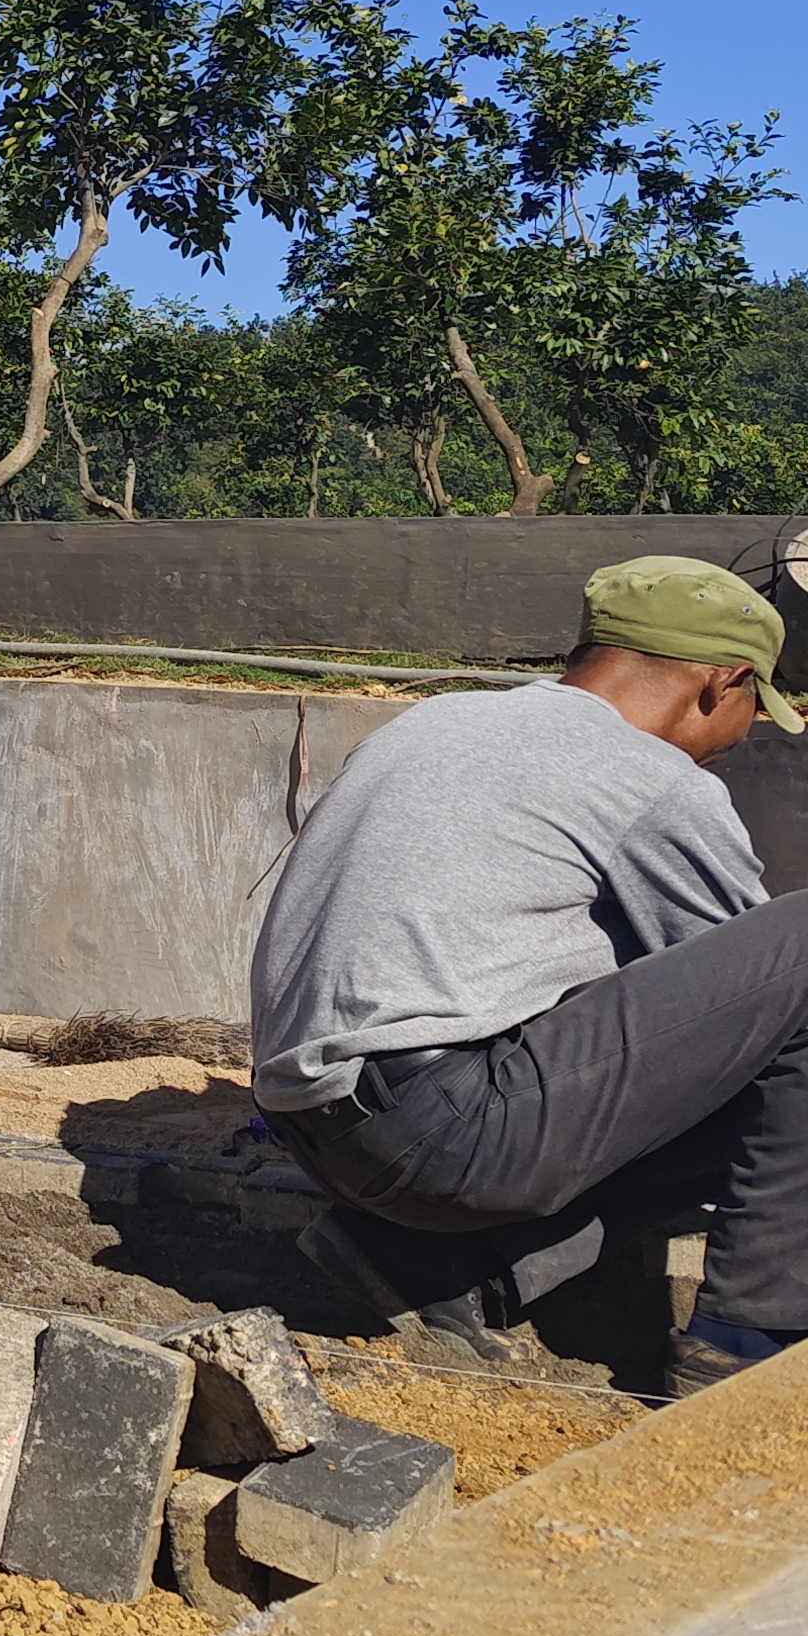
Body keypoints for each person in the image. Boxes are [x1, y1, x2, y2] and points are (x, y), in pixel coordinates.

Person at [252, 553, 807, 1392]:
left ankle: (439, 1265)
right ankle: (747, 1346)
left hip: (321, 1128)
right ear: (719, 684)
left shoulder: (437, 721)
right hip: (446, 1131)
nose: (740, 738)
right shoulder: (651, 780)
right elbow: (757, 1022)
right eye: (751, 710)